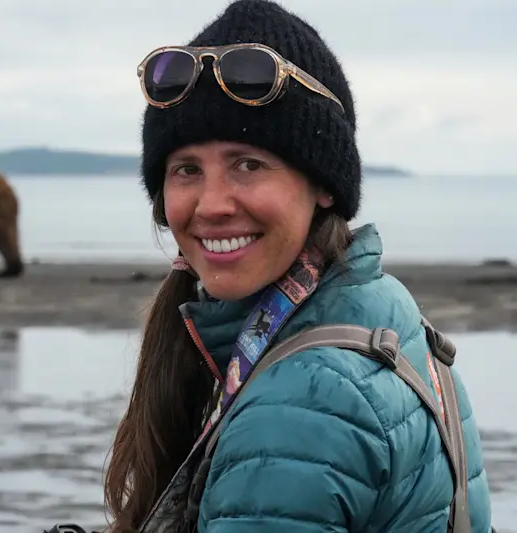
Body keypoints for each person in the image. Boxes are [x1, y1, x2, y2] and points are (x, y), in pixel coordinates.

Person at [101, 1, 494, 532]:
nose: (212, 204)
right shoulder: (379, 306)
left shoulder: (301, 405)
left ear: (324, 186)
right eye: (186, 169)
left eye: (248, 164)